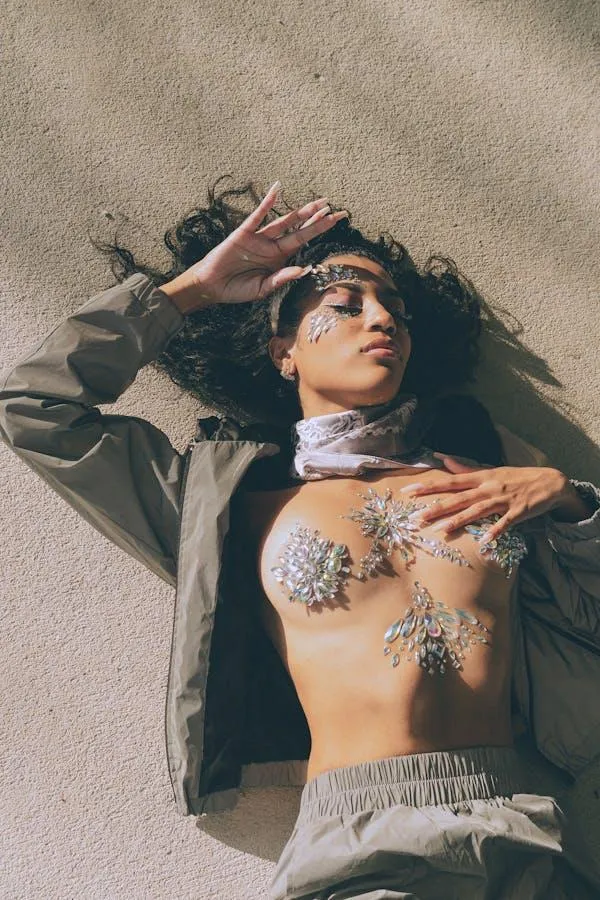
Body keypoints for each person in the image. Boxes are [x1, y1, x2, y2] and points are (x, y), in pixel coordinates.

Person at [2, 177, 600, 899]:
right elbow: (36, 409)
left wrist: (567, 500)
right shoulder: (227, 504)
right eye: (345, 306)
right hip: (359, 840)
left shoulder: (483, 466)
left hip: (524, 829)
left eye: (395, 311)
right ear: (283, 350)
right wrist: (188, 291)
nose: (380, 320)